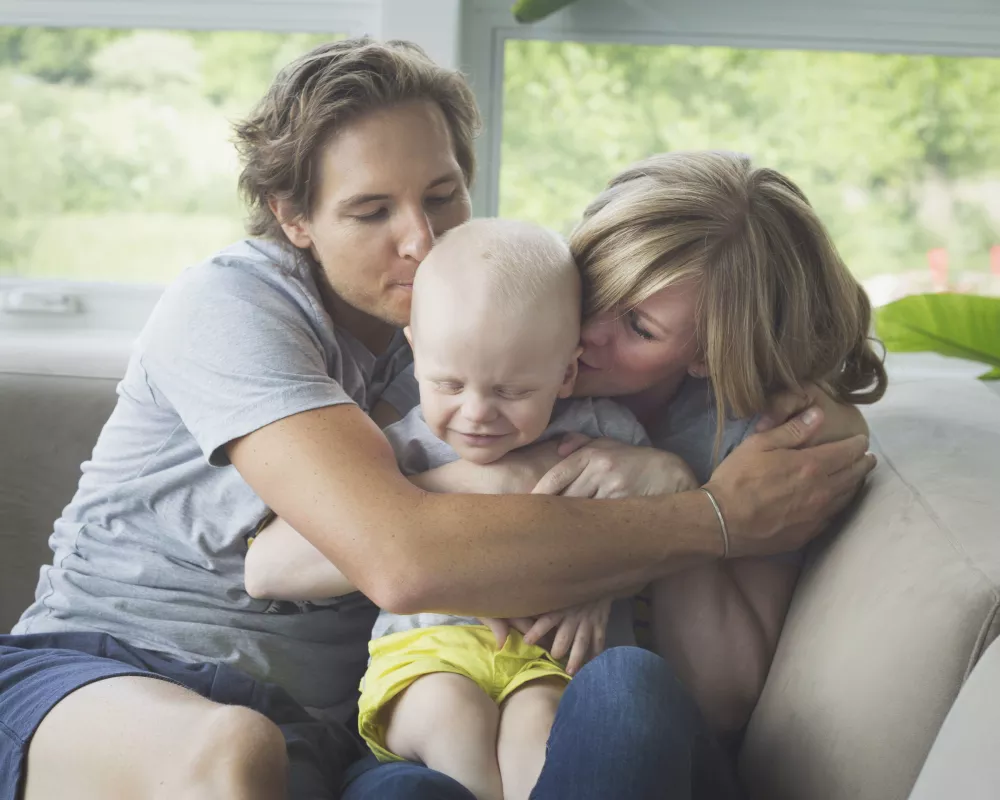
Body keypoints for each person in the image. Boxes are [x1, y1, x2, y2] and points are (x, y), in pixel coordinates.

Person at [0, 37, 874, 800]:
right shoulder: (236, 303)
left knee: (518, 734)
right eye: (370, 210)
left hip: (326, 731)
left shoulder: (493, 330)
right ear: (292, 217)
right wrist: (700, 512)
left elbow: (752, 345)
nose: (419, 240)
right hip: (110, 667)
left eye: (442, 195)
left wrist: (808, 410)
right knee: (236, 752)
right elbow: (396, 555)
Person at [247, 216, 692, 800]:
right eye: (450, 385)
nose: (478, 413)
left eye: (511, 391)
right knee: (453, 718)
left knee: (541, 728)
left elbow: (659, 530)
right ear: (415, 353)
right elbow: (289, 555)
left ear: (566, 371)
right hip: (427, 655)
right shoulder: (394, 448)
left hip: (544, 661)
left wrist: (602, 587)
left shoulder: (605, 433)